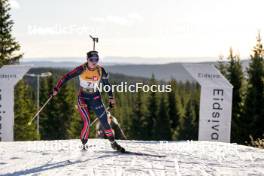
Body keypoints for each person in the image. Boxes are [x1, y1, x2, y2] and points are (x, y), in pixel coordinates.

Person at [52, 50, 125, 152]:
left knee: (105, 122)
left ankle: (113, 143)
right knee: (87, 121)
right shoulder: (81, 69)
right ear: (87, 60)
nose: (94, 62)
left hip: (95, 97)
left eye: (96, 59)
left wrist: (111, 98)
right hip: (83, 97)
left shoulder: (100, 70)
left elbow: (106, 84)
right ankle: (84, 144)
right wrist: (57, 88)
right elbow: (67, 76)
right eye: (91, 59)